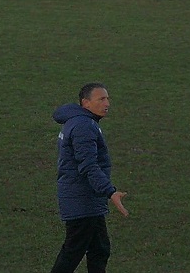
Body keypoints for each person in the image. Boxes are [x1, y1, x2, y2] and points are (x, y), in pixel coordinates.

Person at [51, 83, 129, 273]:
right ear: (85, 103)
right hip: (82, 200)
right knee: (73, 251)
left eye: (108, 98)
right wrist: (110, 192)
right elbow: (88, 166)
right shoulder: (83, 126)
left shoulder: (80, 122)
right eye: (101, 99)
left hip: (86, 199)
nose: (107, 103)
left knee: (99, 248)